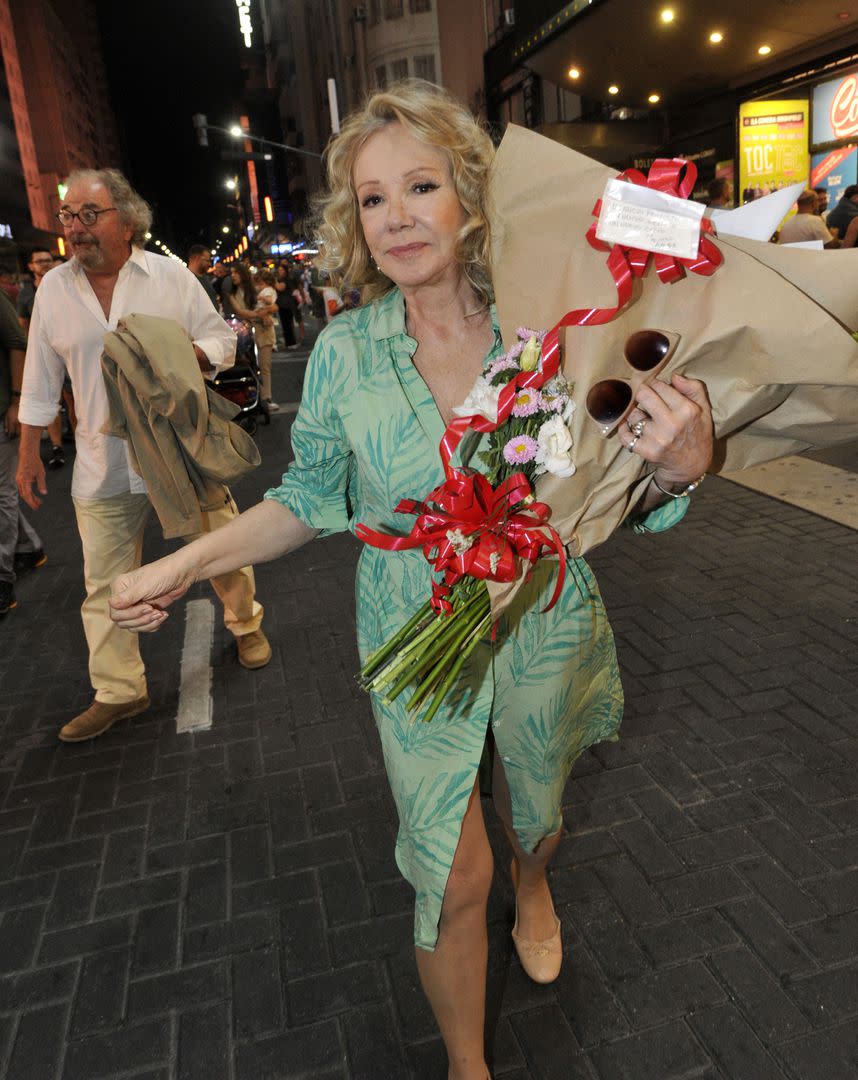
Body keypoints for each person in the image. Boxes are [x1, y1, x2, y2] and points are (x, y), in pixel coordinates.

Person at [108, 83, 714, 1080]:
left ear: (471, 199)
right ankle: (467, 1066)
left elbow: (612, 491)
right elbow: (304, 498)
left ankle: (538, 876)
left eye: (420, 186)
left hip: (538, 615)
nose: (396, 216)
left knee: (538, 811)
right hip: (409, 624)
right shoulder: (346, 352)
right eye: (373, 197)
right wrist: (187, 559)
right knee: (448, 866)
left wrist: (681, 467)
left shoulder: (552, 329)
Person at [16, 167, 272, 745]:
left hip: (179, 451)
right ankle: (119, 690)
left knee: (221, 548)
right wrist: (29, 452)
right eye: (68, 216)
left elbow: (221, 341)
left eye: (89, 215)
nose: (76, 228)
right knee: (103, 582)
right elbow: (39, 377)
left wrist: (181, 359)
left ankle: (246, 625)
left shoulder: (168, 277)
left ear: (126, 220)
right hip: (101, 462)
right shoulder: (54, 289)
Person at [0, 291, 44, 617]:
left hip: (2, 412)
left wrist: (16, 402)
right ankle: (30, 545)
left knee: (3, 495)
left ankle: (2, 580)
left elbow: (18, 342)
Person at [17, 248, 66, 470]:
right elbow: (23, 323)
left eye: (48, 260)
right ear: (31, 266)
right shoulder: (26, 294)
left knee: (75, 400)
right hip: (45, 356)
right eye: (40, 261)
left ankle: (78, 435)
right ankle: (57, 446)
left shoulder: (65, 284)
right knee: (51, 400)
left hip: (69, 352)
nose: (45, 264)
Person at [253, 268, 279, 410]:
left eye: (259, 283)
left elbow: (273, 305)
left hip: (263, 330)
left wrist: (265, 311)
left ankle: (266, 398)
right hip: (258, 328)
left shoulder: (268, 292)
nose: (258, 287)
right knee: (263, 367)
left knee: (264, 366)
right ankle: (263, 398)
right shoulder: (264, 291)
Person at [186, 244, 219, 309]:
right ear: (197, 258)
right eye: (207, 261)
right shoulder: (185, 279)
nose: (210, 264)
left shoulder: (206, 278)